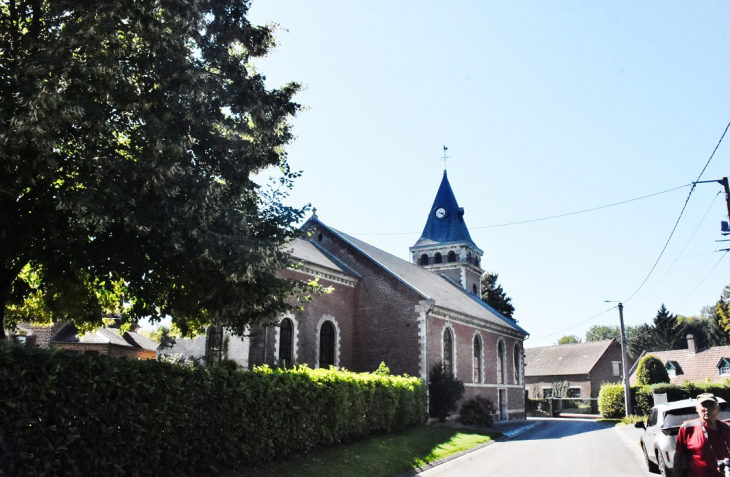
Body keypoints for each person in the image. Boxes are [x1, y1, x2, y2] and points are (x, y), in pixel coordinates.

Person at [674, 393, 730, 477]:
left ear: (718, 409)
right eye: (704, 406)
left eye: (711, 406)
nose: (707, 409)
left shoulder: (727, 428)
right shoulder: (688, 428)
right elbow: (679, 457)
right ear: (697, 408)